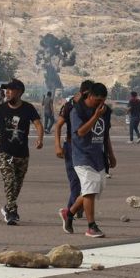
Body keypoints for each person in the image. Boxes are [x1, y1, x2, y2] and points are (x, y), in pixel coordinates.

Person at [0, 79, 42, 225]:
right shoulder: (1, 109)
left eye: (10, 90)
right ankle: (12, 212)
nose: (6, 92)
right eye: (6, 90)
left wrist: (40, 139)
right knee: (9, 181)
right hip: (6, 153)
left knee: (17, 185)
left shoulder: (28, 108)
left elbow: (38, 124)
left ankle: (8, 207)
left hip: (22, 154)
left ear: (19, 92)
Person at [58, 82, 115, 238]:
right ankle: (91, 226)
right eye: (97, 100)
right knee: (90, 189)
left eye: (103, 101)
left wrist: (111, 154)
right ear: (89, 96)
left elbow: (105, 134)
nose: (100, 104)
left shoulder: (105, 111)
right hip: (81, 156)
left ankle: (68, 213)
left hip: (98, 156)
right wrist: (95, 116)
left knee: (94, 189)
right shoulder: (78, 111)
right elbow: (81, 132)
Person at [55, 80, 95, 217]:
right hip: (72, 146)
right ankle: (70, 211)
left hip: (88, 147)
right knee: (75, 182)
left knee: (88, 181)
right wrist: (57, 146)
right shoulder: (71, 105)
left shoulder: (94, 106)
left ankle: (78, 206)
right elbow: (59, 125)